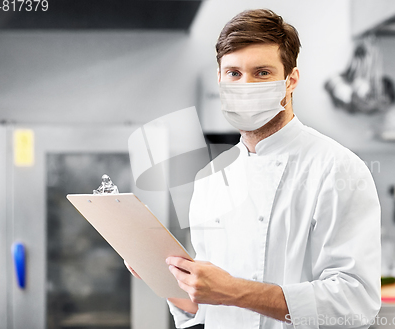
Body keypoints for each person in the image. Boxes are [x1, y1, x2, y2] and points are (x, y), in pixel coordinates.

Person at [126, 8, 381, 329]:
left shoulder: (336, 168)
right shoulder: (211, 178)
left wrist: (233, 291)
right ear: (219, 79)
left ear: (291, 81)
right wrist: (168, 281)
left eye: (261, 73)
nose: (245, 85)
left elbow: (355, 303)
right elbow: (206, 308)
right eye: (234, 73)